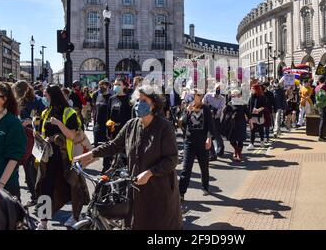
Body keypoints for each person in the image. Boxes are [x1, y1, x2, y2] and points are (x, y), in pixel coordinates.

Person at [74, 85, 183, 230]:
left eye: (144, 101)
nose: (139, 104)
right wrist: (89, 154)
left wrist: (150, 172)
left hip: (160, 191)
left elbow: (172, 160)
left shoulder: (164, 127)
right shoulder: (131, 125)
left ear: (154, 104)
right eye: (138, 100)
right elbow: (113, 146)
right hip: (137, 191)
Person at [35, 85, 89, 230]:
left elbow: (72, 135)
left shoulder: (69, 112)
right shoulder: (45, 112)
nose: (44, 98)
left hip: (68, 158)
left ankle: (75, 217)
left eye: (46, 95)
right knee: (45, 187)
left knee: (74, 187)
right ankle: (43, 221)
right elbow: (42, 132)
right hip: (49, 157)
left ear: (53, 96)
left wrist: (58, 123)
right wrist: (44, 139)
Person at [12, 80, 45, 207]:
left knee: (38, 171)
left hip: (37, 139)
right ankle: (35, 197)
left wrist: (31, 121)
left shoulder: (38, 100)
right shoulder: (18, 102)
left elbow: (45, 117)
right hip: (25, 139)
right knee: (28, 171)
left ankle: (42, 202)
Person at [179, 89, 214, 199]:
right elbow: (182, 123)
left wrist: (209, 138)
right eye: (192, 95)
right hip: (189, 141)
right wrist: (188, 112)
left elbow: (210, 125)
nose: (194, 97)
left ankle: (205, 187)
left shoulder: (206, 109)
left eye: (196, 95)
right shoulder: (188, 107)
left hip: (202, 141)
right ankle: (181, 193)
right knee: (186, 168)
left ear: (200, 96)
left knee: (204, 166)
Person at [224, 89, 249, 162]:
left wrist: (251, 122)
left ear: (239, 96)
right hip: (232, 124)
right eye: (232, 95)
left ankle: (239, 154)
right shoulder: (230, 103)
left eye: (236, 95)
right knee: (232, 140)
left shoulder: (243, 103)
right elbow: (225, 113)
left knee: (240, 140)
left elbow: (248, 114)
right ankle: (236, 149)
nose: (234, 97)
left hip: (241, 123)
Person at [202, 83, 226, 159]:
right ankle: (212, 153)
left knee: (216, 134)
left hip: (215, 118)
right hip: (206, 117)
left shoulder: (222, 98)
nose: (218, 90)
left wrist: (214, 113)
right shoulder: (208, 95)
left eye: (219, 89)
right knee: (207, 134)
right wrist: (208, 108)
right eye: (217, 88)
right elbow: (203, 104)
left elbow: (220, 109)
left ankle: (220, 149)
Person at [247, 84, 267, 150]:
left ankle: (262, 142)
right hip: (252, 116)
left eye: (253, 88)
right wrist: (248, 115)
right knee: (252, 130)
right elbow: (249, 106)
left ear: (256, 89)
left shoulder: (262, 97)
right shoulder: (251, 97)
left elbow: (264, 106)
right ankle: (251, 143)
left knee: (261, 129)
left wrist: (258, 110)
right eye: (251, 88)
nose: (251, 89)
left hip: (259, 116)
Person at [315, 76, 326, 142]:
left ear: (319, 80)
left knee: (322, 119)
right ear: (324, 80)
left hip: (319, 105)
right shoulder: (325, 86)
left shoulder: (316, 87)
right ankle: (321, 137)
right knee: (323, 120)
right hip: (325, 105)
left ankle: (322, 136)